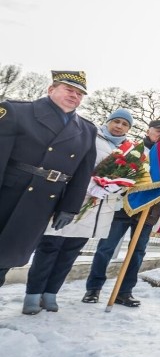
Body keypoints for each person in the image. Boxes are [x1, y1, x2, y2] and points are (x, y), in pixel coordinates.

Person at [22, 108, 134, 314]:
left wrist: (116, 186)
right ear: (108, 121)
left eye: (125, 124)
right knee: (49, 248)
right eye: (116, 121)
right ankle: (33, 294)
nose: (119, 126)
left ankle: (51, 293)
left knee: (69, 253)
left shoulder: (130, 151)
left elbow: (129, 177)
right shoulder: (91, 137)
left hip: (99, 207)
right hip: (73, 200)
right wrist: (91, 182)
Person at [0, 70, 97, 287]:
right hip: (8, 193)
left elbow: (82, 173)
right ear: (51, 89)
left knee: (5, 259)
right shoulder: (16, 111)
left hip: (41, 202)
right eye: (69, 90)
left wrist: (70, 207)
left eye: (80, 94)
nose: (75, 96)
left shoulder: (87, 130)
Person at [81, 118, 160, 307]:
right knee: (106, 248)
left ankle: (124, 292)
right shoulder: (133, 150)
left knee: (137, 252)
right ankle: (93, 289)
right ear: (148, 131)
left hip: (147, 211)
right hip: (124, 206)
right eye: (157, 131)